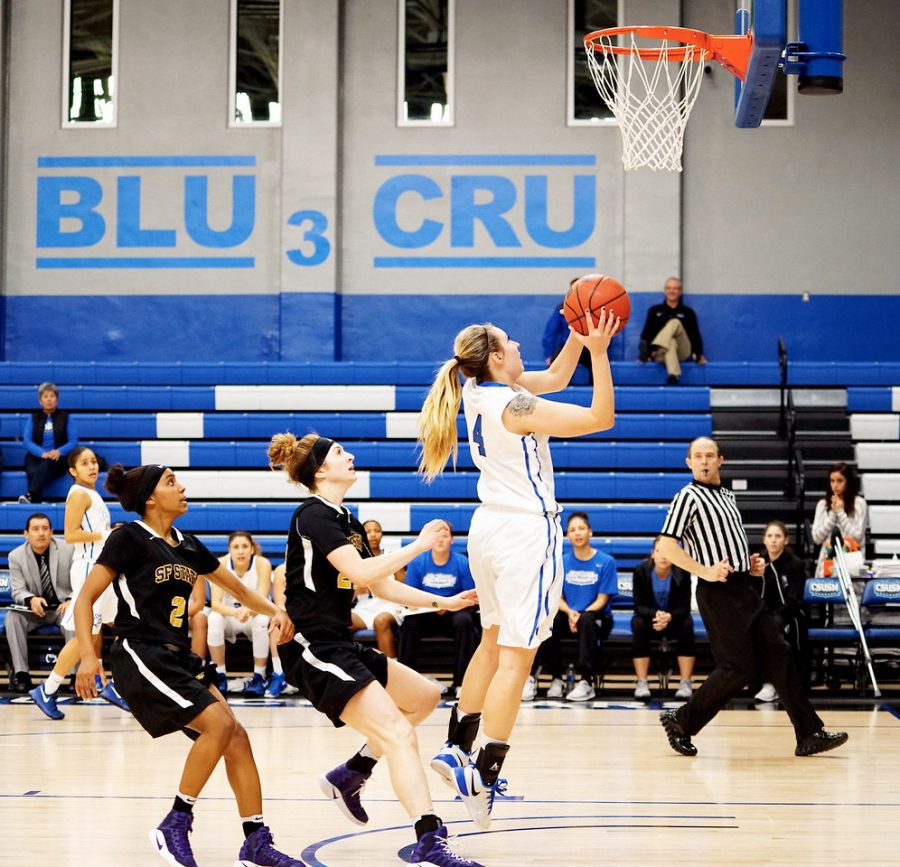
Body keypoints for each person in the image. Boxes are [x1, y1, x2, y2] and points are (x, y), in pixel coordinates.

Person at [418, 305, 619, 830]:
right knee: (518, 659)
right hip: (527, 533)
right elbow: (601, 418)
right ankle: (484, 775)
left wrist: (578, 336)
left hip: (488, 528)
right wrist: (600, 354)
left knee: (491, 642)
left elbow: (553, 376)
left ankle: (455, 745)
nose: (522, 346)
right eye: (513, 342)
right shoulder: (518, 406)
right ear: (499, 358)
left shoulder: (476, 390)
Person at [267, 432, 483, 867]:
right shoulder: (312, 515)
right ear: (321, 470)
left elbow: (380, 584)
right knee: (400, 735)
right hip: (313, 648)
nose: (351, 456)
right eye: (340, 453)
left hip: (339, 643)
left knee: (424, 697)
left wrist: (443, 601)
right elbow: (360, 569)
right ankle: (428, 838)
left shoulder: (346, 519)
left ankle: (353, 772)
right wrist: (420, 544)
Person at [73, 462, 302, 867]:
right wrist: (88, 656)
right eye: (171, 482)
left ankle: (255, 843)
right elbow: (85, 599)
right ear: (149, 498)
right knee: (220, 724)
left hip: (178, 657)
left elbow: (238, 591)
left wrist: (276, 612)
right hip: (140, 652)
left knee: (236, 738)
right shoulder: (128, 537)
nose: (182, 487)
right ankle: (174, 823)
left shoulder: (187, 544)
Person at [656, 437, 848, 758]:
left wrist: (751, 564)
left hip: (743, 587)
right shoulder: (687, 497)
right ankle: (683, 719)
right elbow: (666, 546)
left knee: (780, 654)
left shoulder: (728, 495)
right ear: (689, 463)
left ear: (721, 460)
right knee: (737, 668)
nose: (704, 461)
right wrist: (703, 571)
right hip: (718, 593)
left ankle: (809, 733)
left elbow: (727, 543)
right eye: (698, 457)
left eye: (710, 456)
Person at [31, 446, 129, 719]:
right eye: (85, 463)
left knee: (108, 626)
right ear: (73, 471)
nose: (92, 466)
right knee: (84, 635)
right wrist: (106, 534)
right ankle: (48, 690)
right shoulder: (78, 494)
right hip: (87, 568)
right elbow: (71, 535)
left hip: (99, 567)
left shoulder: (94, 494)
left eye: (94, 461)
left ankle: (103, 681)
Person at [522, 511, 617, 703]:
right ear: (567, 536)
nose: (577, 533)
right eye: (572, 530)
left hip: (596, 617)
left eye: (581, 528)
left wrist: (581, 615)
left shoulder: (606, 561)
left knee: (588, 620)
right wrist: (570, 613)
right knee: (547, 618)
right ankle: (555, 679)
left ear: (590, 532)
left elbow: (602, 599)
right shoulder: (561, 561)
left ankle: (586, 681)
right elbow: (556, 597)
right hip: (568, 614)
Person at [399, 524, 480, 697]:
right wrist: (437, 604)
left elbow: (470, 598)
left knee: (464, 620)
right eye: (437, 536)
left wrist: (448, 605)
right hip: (425, 613)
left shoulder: (463, 563)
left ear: (452, 540)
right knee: (409, 624)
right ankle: (405, 683)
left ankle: (461, 683)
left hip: (453, 614)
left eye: (445, 535)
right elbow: (408, 597)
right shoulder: (418, 562)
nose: (441, 540)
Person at [5, 513, 74, 693]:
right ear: (26, 534)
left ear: (51, 532)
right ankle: (22, 674)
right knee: (12, 618)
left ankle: (74, 675)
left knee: (74, 614)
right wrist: (31, 599)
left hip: (61, 608)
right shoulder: (16, 556)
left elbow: (81, 580)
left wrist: (71, 599)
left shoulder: (69, 549)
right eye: (35, 529)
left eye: (45, 528)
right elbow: (17, 590)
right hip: (34, 611)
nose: (41, 533)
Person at [630, 535, 695, 702]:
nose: (664, 556)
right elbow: (638, 606)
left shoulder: (683, 573)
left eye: (669, 552)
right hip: (651, 620)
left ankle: (685, 683)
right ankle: (642, 682)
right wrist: (656, 615)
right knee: (638, 623)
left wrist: (669, 617)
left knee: (687, 623)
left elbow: (684, 608)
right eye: (659, 551)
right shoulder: (641, 571)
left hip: (674, 620)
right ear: (653, 554)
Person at [208, 530, 272, 696]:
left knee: (262, 620)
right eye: (236, 547)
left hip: (254, 616)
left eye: (245, 546)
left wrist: (248, 611)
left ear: (252, 549)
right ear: (229, 549)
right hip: (231, 617)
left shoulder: (262, 564)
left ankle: (259, 676)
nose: (241, 551)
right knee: (214, 618)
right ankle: (220, 675)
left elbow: (263, 599)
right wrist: (236, 612)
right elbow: (215, 604)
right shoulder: (220, 564)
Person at [753, 520, 810, 703]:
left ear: (786, 540)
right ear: (764, 540)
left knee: (772, 627)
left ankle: (773, 683)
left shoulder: (795, 564)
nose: (773, 540)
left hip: (790, 613)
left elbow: (794, 600)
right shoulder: (757, 563)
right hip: (763, 613)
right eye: (770, 536)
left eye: (778, 536)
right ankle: (753, 680)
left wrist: (776, 617)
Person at [350, 519, 407, 659]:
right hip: (364, 608)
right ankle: (343, 667)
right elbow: (344, 596)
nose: (373, 534)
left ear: (382, 535)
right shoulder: (353, 560)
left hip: (389, 606)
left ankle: (392, 672)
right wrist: (356, 590)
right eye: (368, 531)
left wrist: (380, 584)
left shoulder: (391, 557)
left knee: (380, 621)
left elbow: (404, 586)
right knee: (340, 621)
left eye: (377, 531)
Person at [638, 277, 706, 385]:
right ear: (665, 290)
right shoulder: (654, 311)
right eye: (669, 288)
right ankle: (673, 376)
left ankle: (657, 346)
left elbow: (695, 335)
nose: (672, 291)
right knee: (671, 342)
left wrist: (698, 355)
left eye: (675, 288)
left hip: (682, 352)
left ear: (680, 291)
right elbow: (645, 334)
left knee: (675, 322)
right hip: (660, 354)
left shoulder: (688, 312)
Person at [19, 382, 78, 503]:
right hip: (37, 456)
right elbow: (27, 441)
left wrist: (59, 451)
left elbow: (73, 442)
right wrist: (41, 453)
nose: (49, 399)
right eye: (45, 396)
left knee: (47, 464)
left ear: (57, 399)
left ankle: (30, 495)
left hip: (58, 458)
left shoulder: (66, 417)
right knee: (33, 470)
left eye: (52, 396)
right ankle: (35, 501)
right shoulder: (33, 417)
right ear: (40, 401)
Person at [811, 462, 868, 578]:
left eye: (840, 481)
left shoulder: (859, 504)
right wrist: (833, 514)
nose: (835, 485)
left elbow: (858, 537)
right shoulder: (822, 505)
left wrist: (840, 513)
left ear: (848, 482)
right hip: (826, 569)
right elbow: (816, 538)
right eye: (832, 481)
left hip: (853, 570)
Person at [542, 277, 592, 379]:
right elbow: (551, 332)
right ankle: (559, 393)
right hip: (567, 346)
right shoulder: (562, 307)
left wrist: (604, 352)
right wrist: (549, 355)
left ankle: (597, 391)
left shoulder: (595, 307)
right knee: (556, 369)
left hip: (588, 346)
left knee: (598, 367)